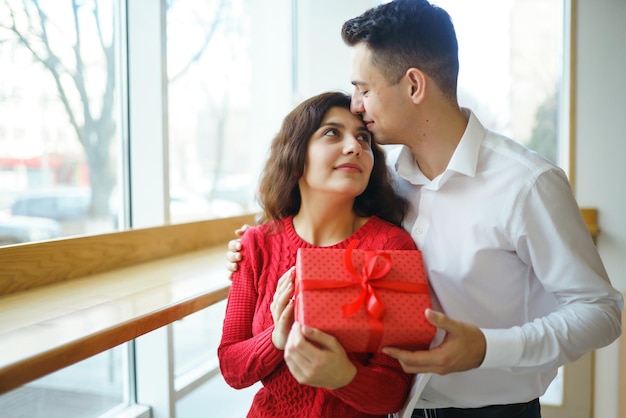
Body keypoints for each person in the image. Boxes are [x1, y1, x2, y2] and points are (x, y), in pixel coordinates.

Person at [227, 1, 624, 417]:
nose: (357, 105)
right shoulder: (387, 187)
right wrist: (249, 246)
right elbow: (310, 226)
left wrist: (487, 347)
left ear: (414, 86)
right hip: (397, 408)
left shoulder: (526, 184)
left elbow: (600, 311)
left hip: (494, 410)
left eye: (364, 89)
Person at [218, 91, 419, 418]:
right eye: (331, 132)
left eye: (363, 138)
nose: (355, 146)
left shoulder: (393, 247)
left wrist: (345, 377)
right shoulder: (256, 244)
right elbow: (232, 368)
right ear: (296, 153)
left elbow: (395, 392)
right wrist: (276, 339)